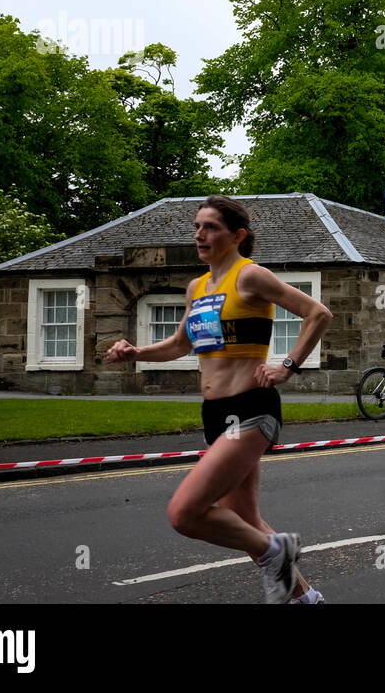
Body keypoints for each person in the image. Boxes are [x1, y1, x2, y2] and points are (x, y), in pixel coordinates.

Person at [104, 195, 333, 603]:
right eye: (196, 227)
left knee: (184, 513)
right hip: (215, 415)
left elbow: (318, 313)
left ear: (237, 235)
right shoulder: (197, 288)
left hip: (251, 410)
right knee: (244, 519)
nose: (199, 234)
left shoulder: (250, 277)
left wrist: (288, 366)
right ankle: (305, 599)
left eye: (210, 227)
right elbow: (179, 344)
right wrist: (137, 352)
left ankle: (274, 551)